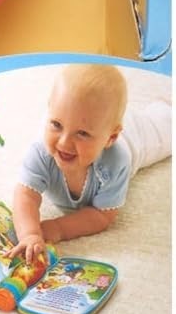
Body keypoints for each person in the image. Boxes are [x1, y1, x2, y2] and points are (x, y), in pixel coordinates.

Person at [12, 64, 171, 261]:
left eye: (82, 133)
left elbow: (102, 215)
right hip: (98, 124)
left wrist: (58, 227)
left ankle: (164, 107)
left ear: (111, 138)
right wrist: (29, 234)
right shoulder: (41, 152)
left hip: (134, 138)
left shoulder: (117, 161)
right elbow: (25, 195)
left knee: (165, 130)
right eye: (56, 124)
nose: (64, 143)